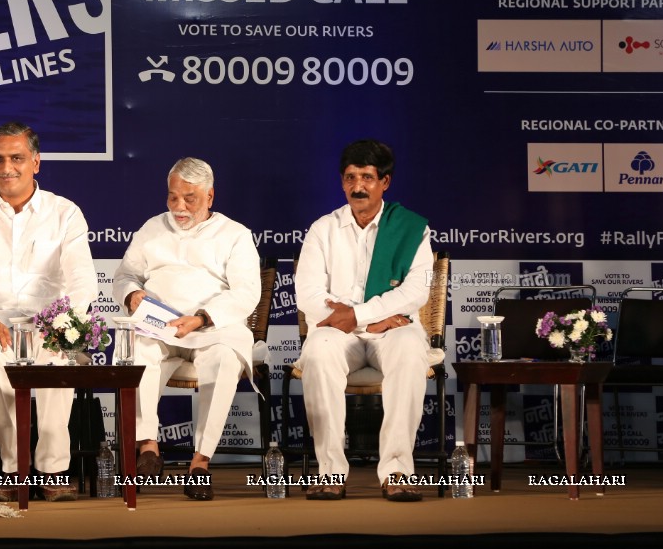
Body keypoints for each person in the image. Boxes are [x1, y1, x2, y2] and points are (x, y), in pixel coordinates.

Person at [0, 122, 98, 502]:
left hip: (48, 322)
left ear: (36, 163)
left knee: (58, 362)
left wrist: (66, 323)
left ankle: (54, 471)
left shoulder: (65, 213)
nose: (6, 167)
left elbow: (83, 279)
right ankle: (15, 471)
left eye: (16, 158)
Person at [113, 157, 260, 500]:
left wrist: (201, 318)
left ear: (210, 197)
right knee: (135, 351)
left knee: (224, 359)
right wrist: (132, 294)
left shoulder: (235, 235)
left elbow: (247, 292)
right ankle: (148, 445)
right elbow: (125, 275)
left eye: (189, 198)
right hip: (158, 326)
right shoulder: (152, 228)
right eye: (172, 197)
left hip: (212, 329)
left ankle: (200, 462)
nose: (179, 207)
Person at [294, 139, 433, 502]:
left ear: (385, 182)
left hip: (393, 331)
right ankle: (330, 472)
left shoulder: (411, 229)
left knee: (408, 349)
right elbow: (308, 296)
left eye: (368, 178)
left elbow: (414, 293)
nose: (358, 187)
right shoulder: (322, 229)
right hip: (340, 333)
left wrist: (356, 314)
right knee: (320, 352)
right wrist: (366, 323)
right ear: (342, 181)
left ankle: (398, 471)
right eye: (351, 177)